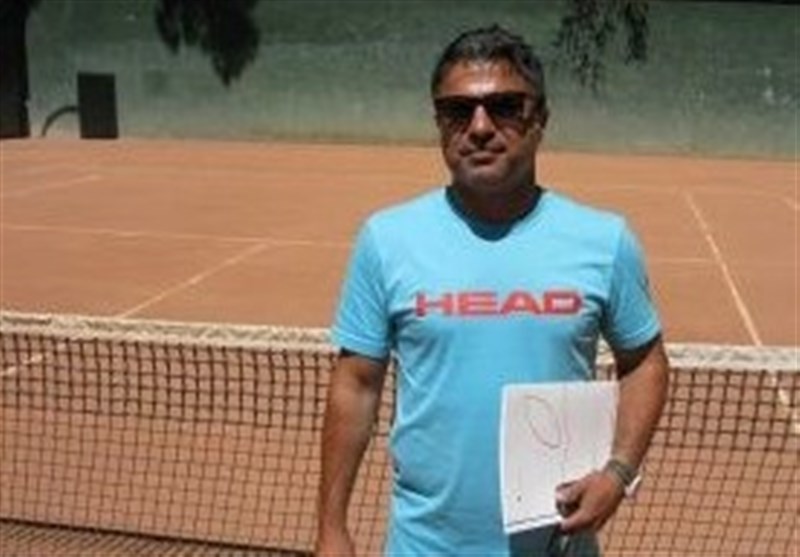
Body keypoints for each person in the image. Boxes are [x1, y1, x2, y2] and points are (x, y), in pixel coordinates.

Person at [316, 24, 669, 557]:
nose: (479, 127)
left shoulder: (605, 241)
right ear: (439, 124)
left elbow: (644, 361)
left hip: (558, 547)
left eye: (505, 106)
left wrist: (619, 473)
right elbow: (356, 385)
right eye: (457, 111)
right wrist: (331, 527)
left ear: (540, 119)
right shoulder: (386, 240)